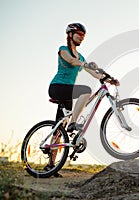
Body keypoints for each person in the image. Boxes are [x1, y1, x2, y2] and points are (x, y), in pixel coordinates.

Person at [46, 22, 119, 177]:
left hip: (68, 92)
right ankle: (74, 122)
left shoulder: (82, 57)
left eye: (83, 35)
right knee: (85, 91)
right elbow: (72, 61)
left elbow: (93, 73)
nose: (81, 37)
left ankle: (51, 165)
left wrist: (107, 79)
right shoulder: (63, 50)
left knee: (60, 127)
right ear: (70, 34)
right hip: (58, 87)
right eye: (79, 34)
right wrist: (85, 64)